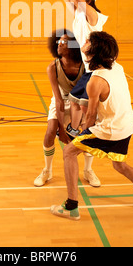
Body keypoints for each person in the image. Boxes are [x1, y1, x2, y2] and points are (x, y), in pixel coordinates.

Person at [51, 31, 133, 220]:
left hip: (111, 130)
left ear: (94, 51)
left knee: (69, 152)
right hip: (127, 126)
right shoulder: (117, 67)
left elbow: (90, 116)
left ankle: (71, 206)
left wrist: (79, 132)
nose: (85, 41)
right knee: (120, 165)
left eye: (89, 41)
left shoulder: (95, 82)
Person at [34, 30, 101, 188]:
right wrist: (61, 130)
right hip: (62, 101)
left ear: (72, 46)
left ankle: (88, 170)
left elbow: (88, 96)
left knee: (88, 132)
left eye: (64, 42)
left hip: (81, 101)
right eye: (58, 42)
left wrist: (81, 122)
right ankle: (47, 170)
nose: (59, 44)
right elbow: (57, 99)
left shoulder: (85, 66)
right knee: (50, 130)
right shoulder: (52, 67)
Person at [61, 0, 108, 138]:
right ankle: (82, 128)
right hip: (90, 66)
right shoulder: (80, 14)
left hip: (99, 67)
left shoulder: (93, 16)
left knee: (80, 101)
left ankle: (83, 130)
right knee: (78, 101)